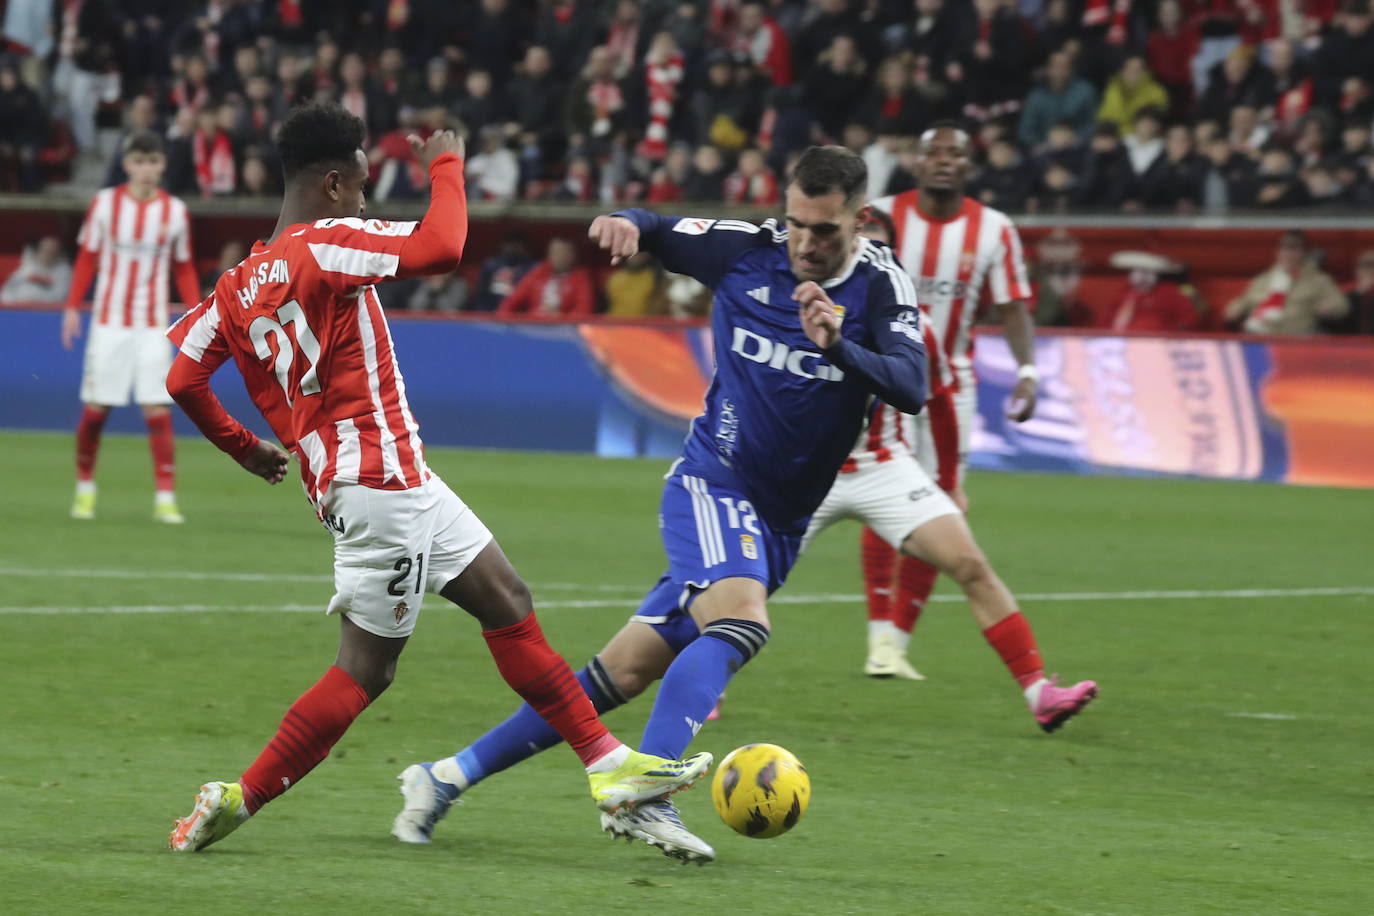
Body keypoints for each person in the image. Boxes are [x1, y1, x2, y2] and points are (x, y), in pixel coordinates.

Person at [163, 103, 709, 854]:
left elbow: (183, 374)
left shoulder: (237, 284)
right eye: (358, 187)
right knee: (365, 672)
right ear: (330, 185)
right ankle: (237, 797)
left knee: (506, 599)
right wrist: (445, 163)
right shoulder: (330, 243)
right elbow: (443, 245)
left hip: (389, 477)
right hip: (378, 482)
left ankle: (609, 767)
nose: (363, 201)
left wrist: (243, 446)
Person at [391, 145, 929, 864]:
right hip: (715, 482)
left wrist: (838, 346)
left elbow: (911, 383)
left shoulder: (883, 285)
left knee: (623, 672)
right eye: (797, 222)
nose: (805, 242)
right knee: (740, 622)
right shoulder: (748, 251)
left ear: (861, 219)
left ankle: (442, 778)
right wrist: (624, 221)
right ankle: (646, 796)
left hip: (781, 521)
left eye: (824, 230)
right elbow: (657, 225)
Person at [801, 208, 1097, 728]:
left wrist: (950, 484)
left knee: (970, 564)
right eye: (861, 245)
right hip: (802, 473)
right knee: (736, 582)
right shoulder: (790, 307)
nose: (870, 255)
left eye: (880, 248)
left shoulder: (915, 325)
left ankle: (1040, 692)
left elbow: (937, 403)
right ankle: (702, 691)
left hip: (884, 468)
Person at [860, 122, 1041, 682]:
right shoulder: (880, 214)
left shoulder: (995, 229)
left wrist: (1028, 370)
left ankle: (893, 645)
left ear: (970, 165)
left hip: (950, 385)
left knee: (939, 507)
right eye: (932, 151)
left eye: (955, 154)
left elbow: (1012, 307)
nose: (943, 161)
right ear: (915, 161)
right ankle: (878, 636)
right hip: (880, 375)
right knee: (875, 486)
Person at [61, 131, 201, 524]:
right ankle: (85, 488)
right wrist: (72, 307)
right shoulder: (104, 205)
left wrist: (194, 314)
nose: (146, 169)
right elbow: (87, 258)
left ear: (162, 165)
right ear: (127, 164)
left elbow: (184, 267)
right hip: (109, 323)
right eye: (139, 162)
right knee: (96, 410)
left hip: (152, 325)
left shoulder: (174, 211)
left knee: (157, 409)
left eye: (153, 162)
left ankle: (165, 499)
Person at [1224, 230, 1348, 333]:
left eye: (1294, 249)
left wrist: (1329, 308)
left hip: (1298, 340)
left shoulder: (1319, 280)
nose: (1288, 254)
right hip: (1259, 336)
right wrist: (1236, 307)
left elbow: (1341, 306)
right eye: (1285, 249)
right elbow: (1245, 301)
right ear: (1278, 252)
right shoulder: (1262, 279)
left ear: (1304, 253)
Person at [496, 237, 596, 318]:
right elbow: (512, 301)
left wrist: (561, 319)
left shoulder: (581, 277)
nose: (560, 257)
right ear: (549, 255)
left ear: (573, 255)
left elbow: (584, 311)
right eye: (555, 253)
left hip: (564, 330)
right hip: (533, 327)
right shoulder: (538, 273)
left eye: (564, 253)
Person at [1104, 251, 1202, 332]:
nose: (1143, 276)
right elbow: (1105, 323)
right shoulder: (1122, 293)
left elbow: (1189, 321)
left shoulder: (1171, 293)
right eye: (1139, 271)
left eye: (1148, 271)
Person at [0, 236, 72, 306]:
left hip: (44, 312)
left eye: (52, 250)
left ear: (58, 252)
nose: (47, 253)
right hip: (16, 310)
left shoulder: (64, 271)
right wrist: (12, 304)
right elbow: (6, 291)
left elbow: (60, 298)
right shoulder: (28, 266)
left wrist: (30, 299)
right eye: (45, 249)